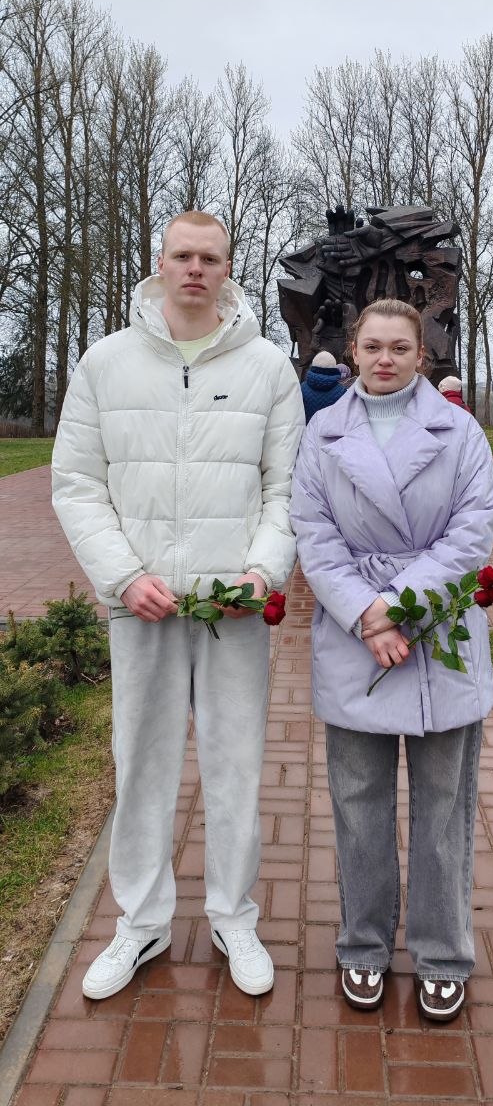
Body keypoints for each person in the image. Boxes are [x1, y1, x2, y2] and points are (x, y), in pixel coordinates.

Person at [52, 210, 304, 1001]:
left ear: (230, 267)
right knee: (143, 764)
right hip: (146, 606)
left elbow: (286, 488)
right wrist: (124, 576)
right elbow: (78, 484)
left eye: (211, 257)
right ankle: (142, 922)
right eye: (182, 255)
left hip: (232, 610)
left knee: (234, 767)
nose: (195, 268)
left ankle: (234, 914)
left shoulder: (269, 367)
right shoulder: (105, 363)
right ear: (158, 261)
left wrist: (262, 571)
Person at [290, 298, 493, 1023]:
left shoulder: (459, 430)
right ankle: (363, 946)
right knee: (357, 807)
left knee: (446, 809)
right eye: (373, 346)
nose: (385, 359)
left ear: (422, 355)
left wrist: (400, 607)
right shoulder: (323, 432)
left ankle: (443, 954)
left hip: (436, 632)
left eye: (400, 348)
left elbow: (476, 527)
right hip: (358, 640)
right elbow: (314, 535)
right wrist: (366, 616)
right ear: (353, 350)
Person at [300, 350, 347, 423]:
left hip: (306, 432)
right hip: (331, 433)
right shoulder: (342, 392)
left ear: (313, 365)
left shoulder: (302, 388)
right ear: (334, 367)